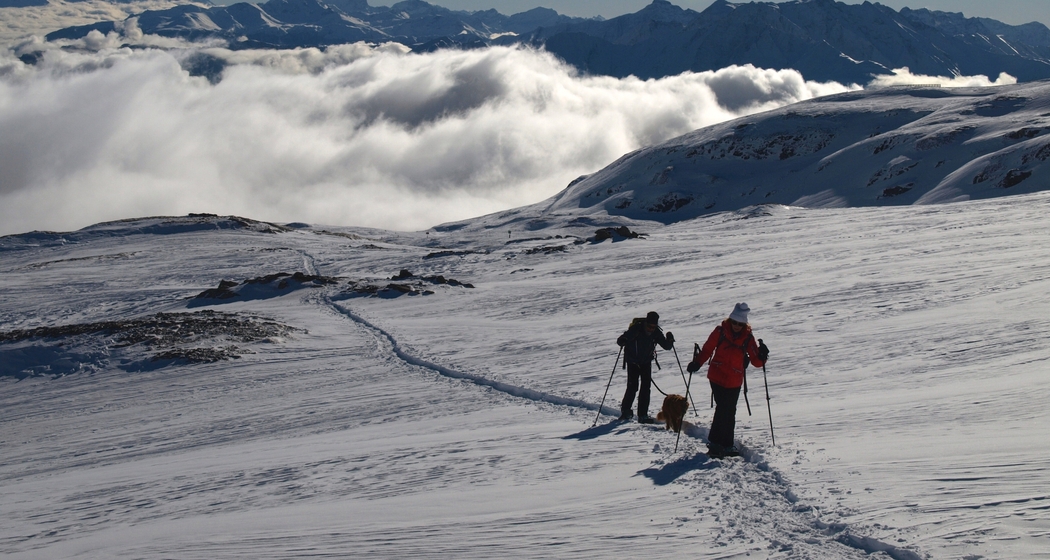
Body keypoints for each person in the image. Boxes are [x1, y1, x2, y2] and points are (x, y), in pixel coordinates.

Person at [687, 303, 769, 458]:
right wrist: (697, 363)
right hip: (717, 375)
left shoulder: (748, 338)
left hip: (734, 380)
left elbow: (756, 362)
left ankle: (723, 444)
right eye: (734, 322)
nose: (737, 326)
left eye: (740, 324)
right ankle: (718, 443)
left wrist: (763, 356)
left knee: (729, 410)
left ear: (745, 324)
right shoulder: (720, 332)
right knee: (724, 407)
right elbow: (707, 349)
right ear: (730, 320)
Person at [616, 311, 675, 423]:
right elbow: (622, 339)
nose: (651, 329)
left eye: (653, 327)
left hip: (646, 362)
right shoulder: (636, 329)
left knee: (645, 388)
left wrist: (670, 340)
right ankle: (626, 411)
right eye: (649, 326)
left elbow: (666, 346)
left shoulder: (656, 332)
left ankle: (643, 415)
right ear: (646, 323)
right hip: (633, 361)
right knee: (633, 386)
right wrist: (622, 340)